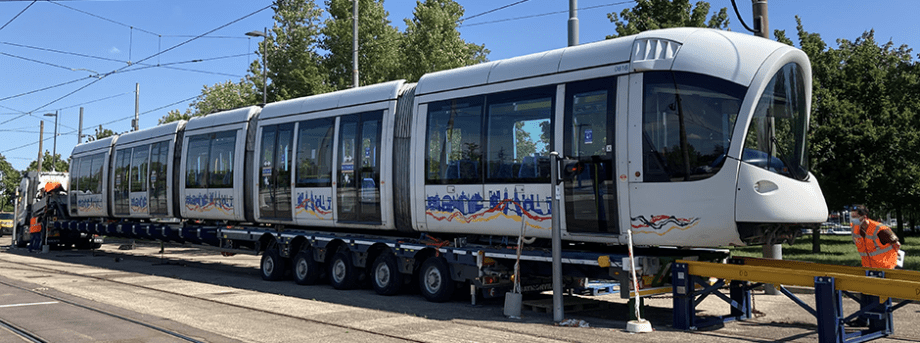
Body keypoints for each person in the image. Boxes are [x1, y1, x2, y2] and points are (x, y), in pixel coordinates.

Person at [850, 204, 901, 269]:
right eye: (852, 217)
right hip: (868, 268)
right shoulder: (854, 229)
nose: (854, 219)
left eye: (856, 217)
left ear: (864, 217)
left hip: (886, 268)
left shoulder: (880, 229)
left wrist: (896, 256)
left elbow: (897, 244)